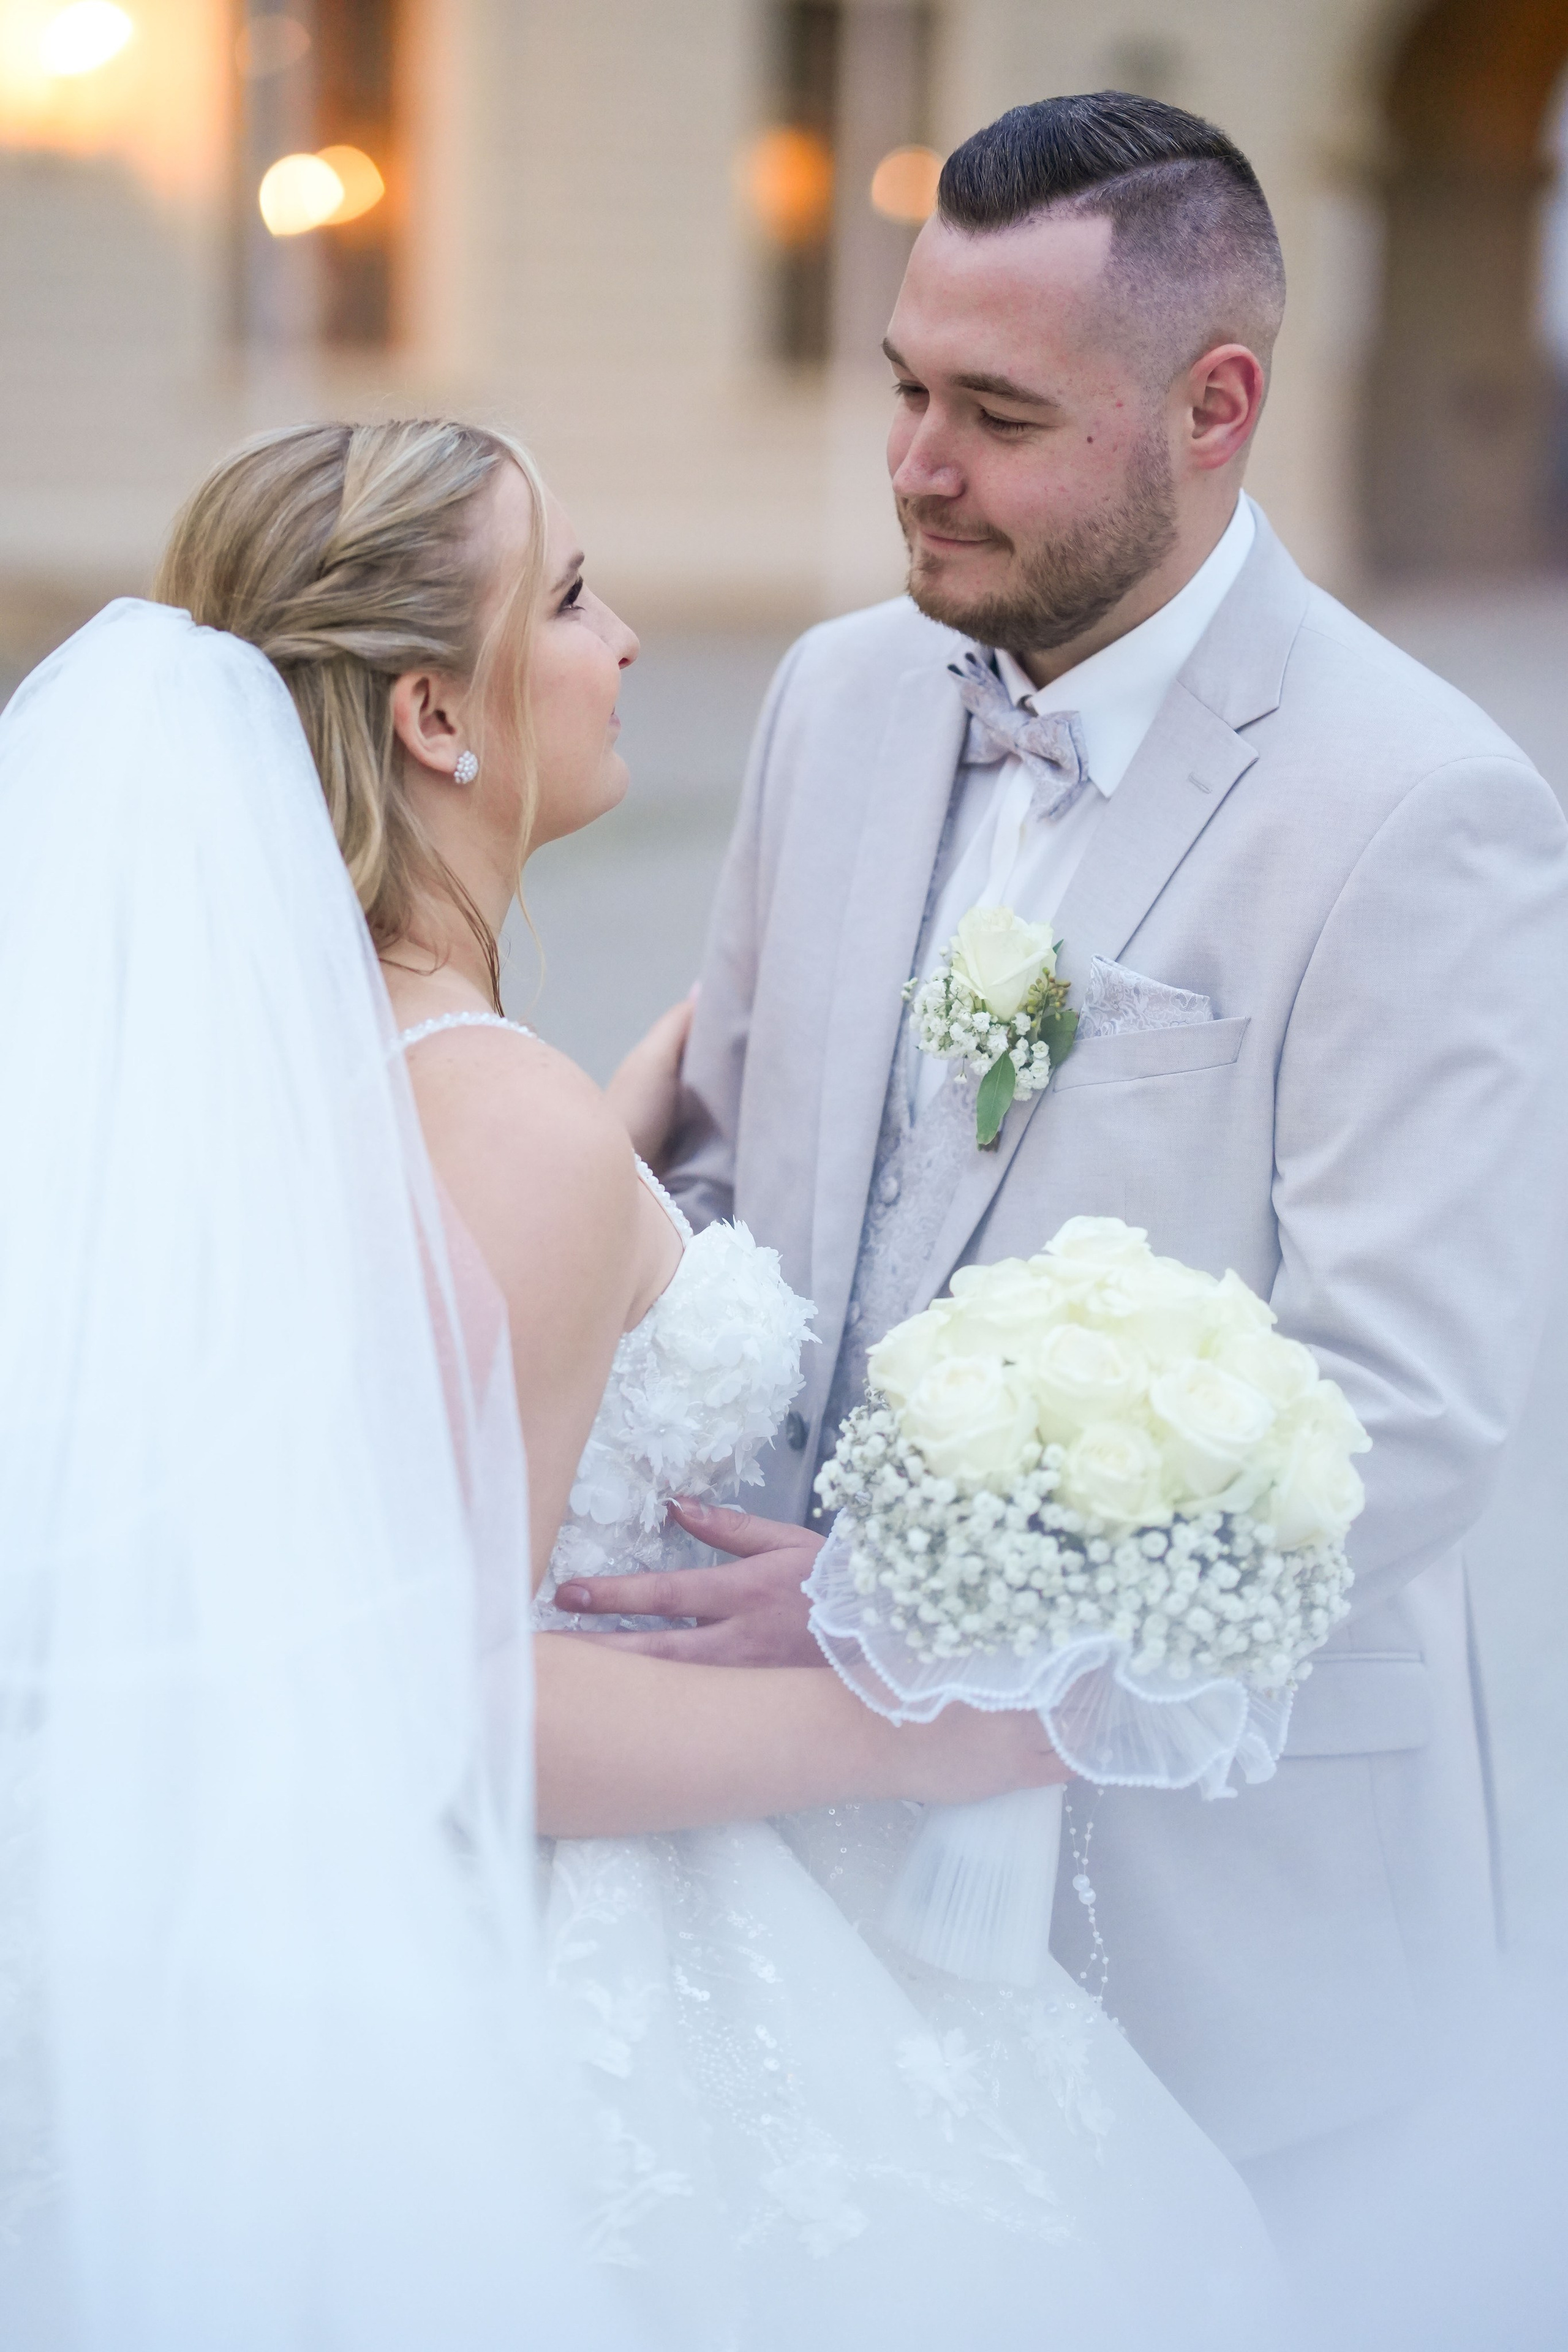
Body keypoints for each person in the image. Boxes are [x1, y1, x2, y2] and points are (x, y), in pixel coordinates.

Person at [1, 415, 1288, 2349]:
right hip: (595, 1981)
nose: (626, 647)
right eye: (577, 599)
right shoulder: (494, 1124)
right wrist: (930, 1726)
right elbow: (455, 1705)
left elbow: (423, 1314)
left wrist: (610, 1144)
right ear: (441, 716)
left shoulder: (333, 1065)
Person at [566, 91, 1568, 2253]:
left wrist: (897, 1627)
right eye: (906, 391)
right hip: (815, 1898)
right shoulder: (835, 698)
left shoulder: (1424, 809)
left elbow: (1407, 1416)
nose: (919, 465)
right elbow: (736, 1189)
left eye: (1000, 416)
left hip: (1233, 1920)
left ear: (1217, 409)